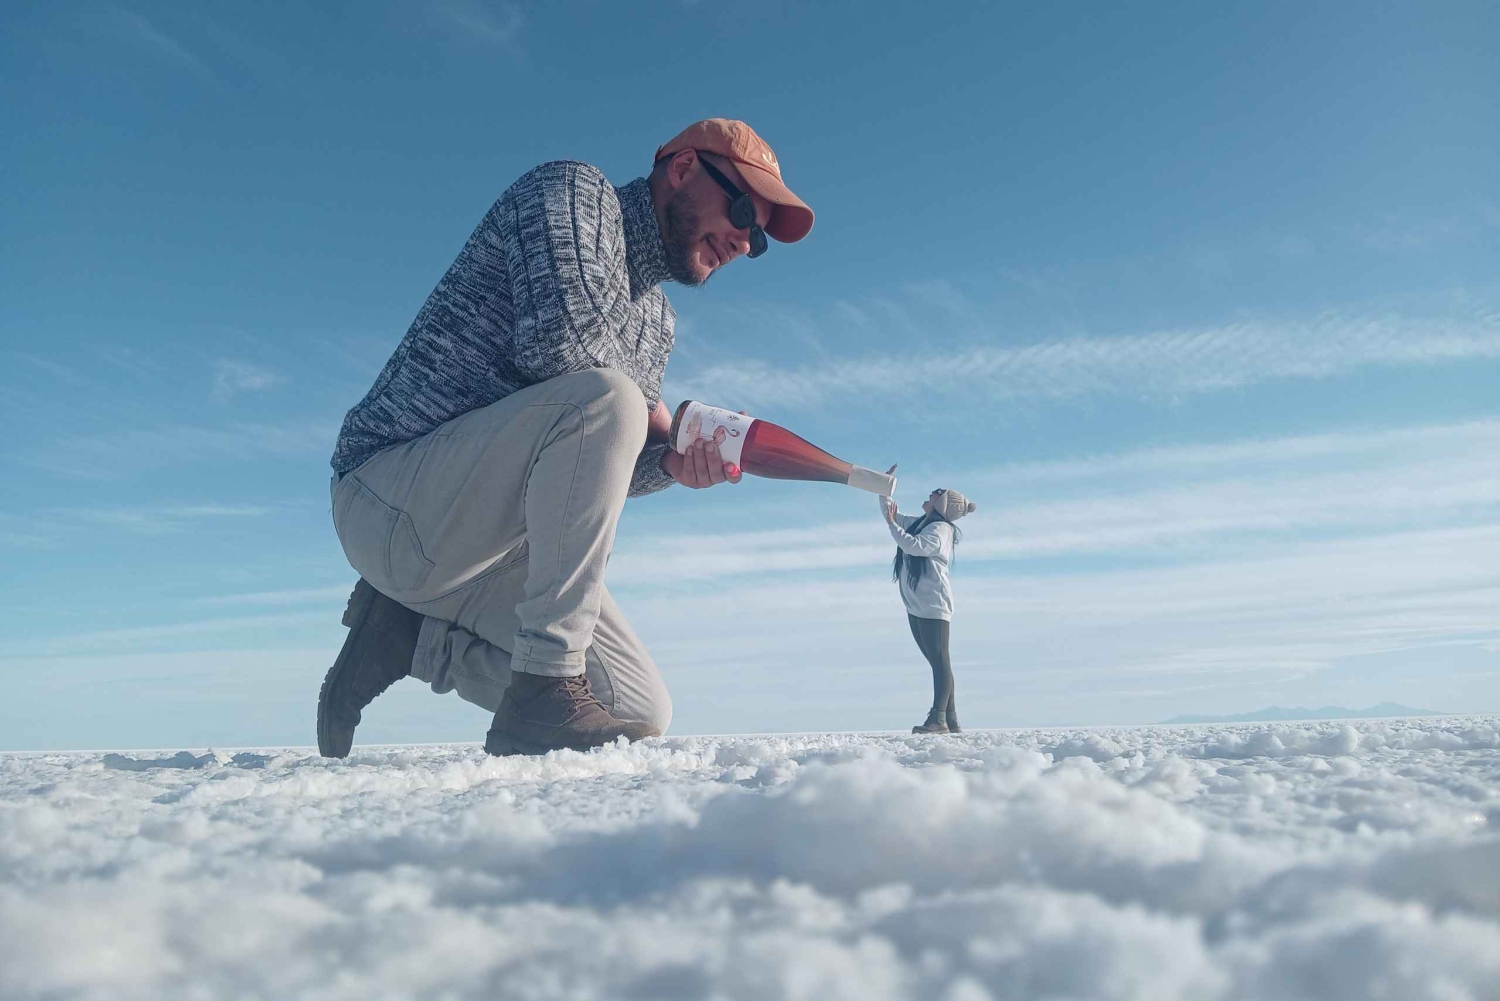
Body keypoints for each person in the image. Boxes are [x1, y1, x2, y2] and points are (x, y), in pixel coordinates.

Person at [317, 119, 814, 757]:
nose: (746, 243)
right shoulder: (575, 193)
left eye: (762, 240)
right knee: (611, 396)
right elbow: (560, 343)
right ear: (684, 169)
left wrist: (670, 461)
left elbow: (586, 465)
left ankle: (407, 638)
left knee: (637, 712)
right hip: (385, 501)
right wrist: (660, 419)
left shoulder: (655, 324)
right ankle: (544, 687)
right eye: (744, 209)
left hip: (480, 549)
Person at [880, 476, 977, 734]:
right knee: (937, 661)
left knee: (939, 660)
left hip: (933, 603)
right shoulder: (923, 523)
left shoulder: (940, 529)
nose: (930, 493)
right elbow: (894, 515)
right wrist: (883, 487)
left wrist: (892, 525)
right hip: (916, 603)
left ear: (942, 504)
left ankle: (938, 719)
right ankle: (951, 718)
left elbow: (915, 547)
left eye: (937, 492)